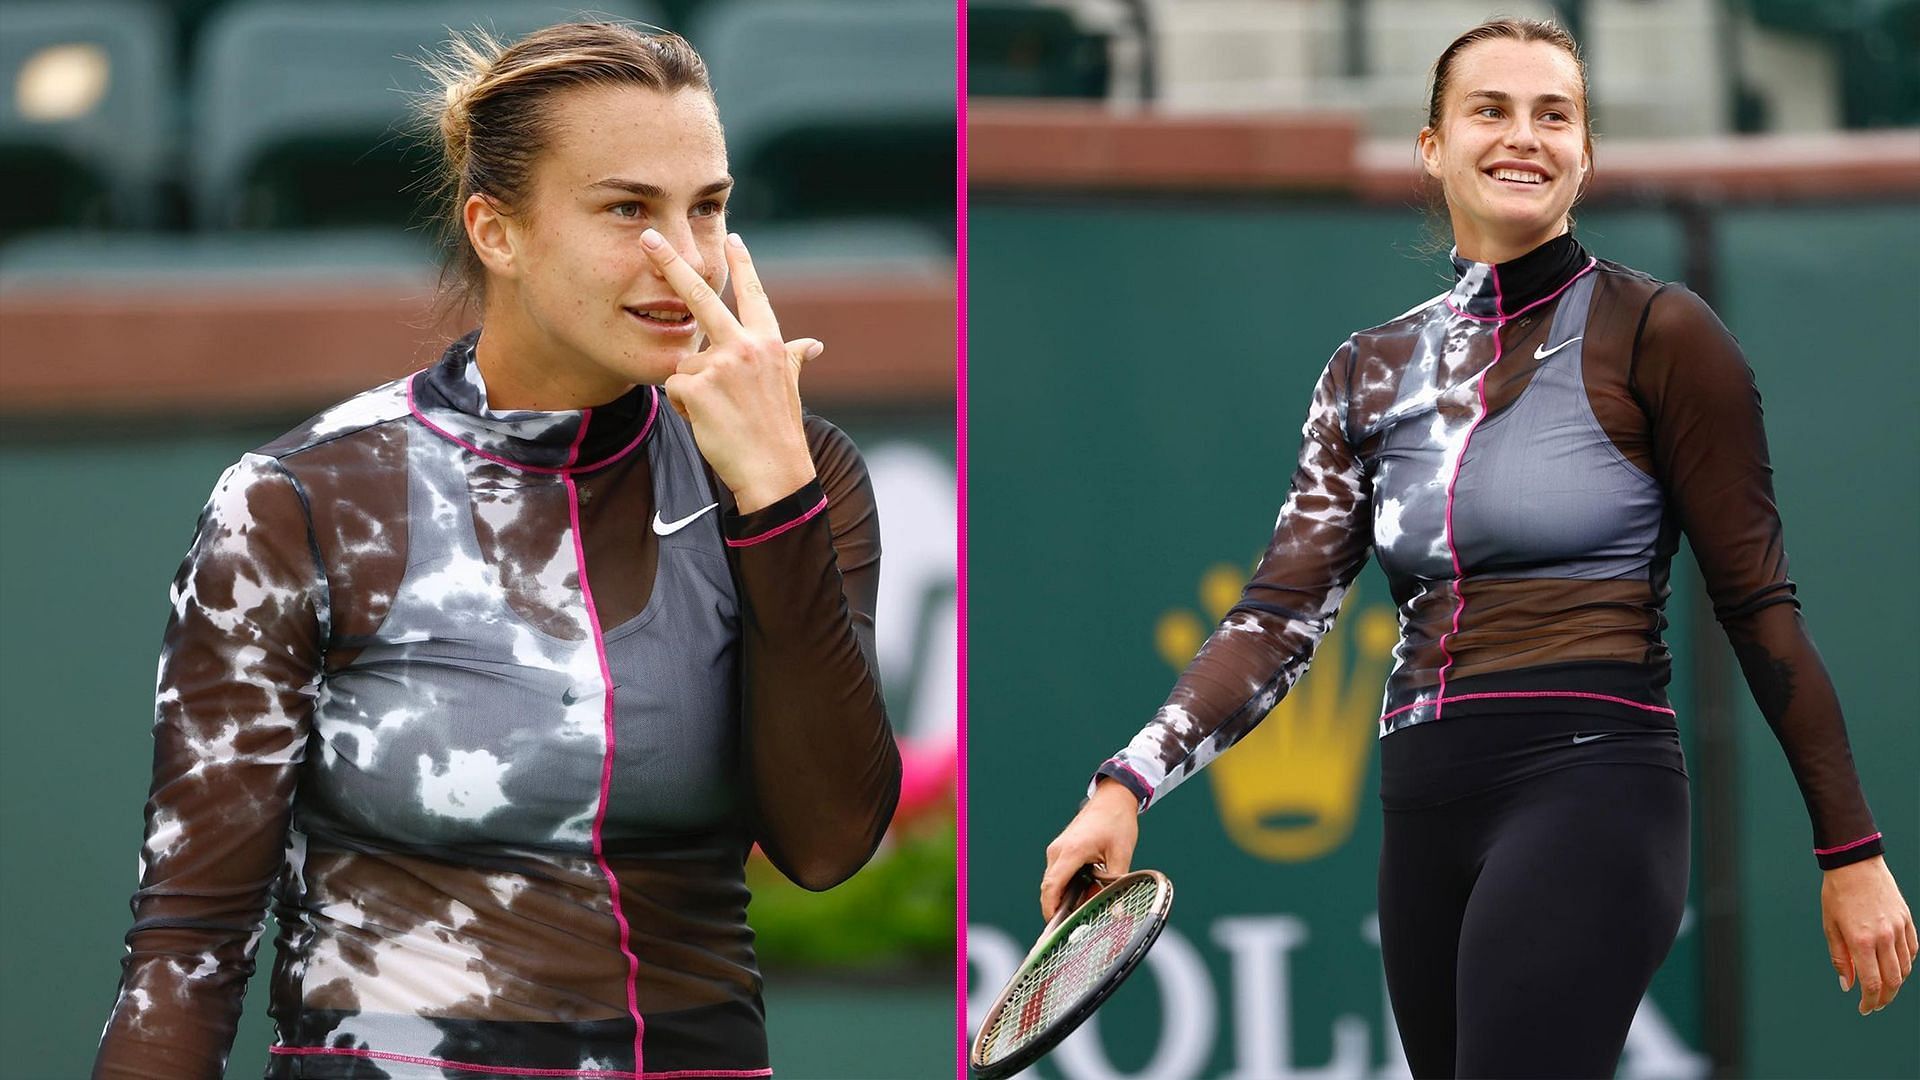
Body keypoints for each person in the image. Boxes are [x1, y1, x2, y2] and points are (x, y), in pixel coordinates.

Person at [1039, 17, 1914, 1078]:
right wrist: (1124, 785)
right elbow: (1278, 618)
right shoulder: (1366, 370)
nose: (1525, 136)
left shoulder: (1663, 333)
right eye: (1491, 110)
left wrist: (1851, 849)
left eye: (1556, 115)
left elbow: (1761, 607)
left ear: (1586, 154)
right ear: (1431, 146)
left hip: (1592, 784)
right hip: (1426, 809)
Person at [93, 22, 901, 1079]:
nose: (686, 259)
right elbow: (186, 952)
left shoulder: (796, 473)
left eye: (707, 208)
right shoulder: (299, 502)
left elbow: (830, 842)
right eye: (628, 210)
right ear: (496, 231)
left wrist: (774, 502)